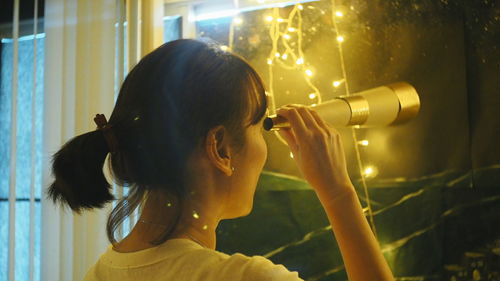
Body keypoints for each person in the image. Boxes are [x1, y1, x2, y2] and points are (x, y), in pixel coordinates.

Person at [48, 39, 394, 281]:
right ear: (221, 148)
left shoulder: (98, 274)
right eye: (259, 127)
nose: (265, 146)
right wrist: (339, 194)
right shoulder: (246, 278)